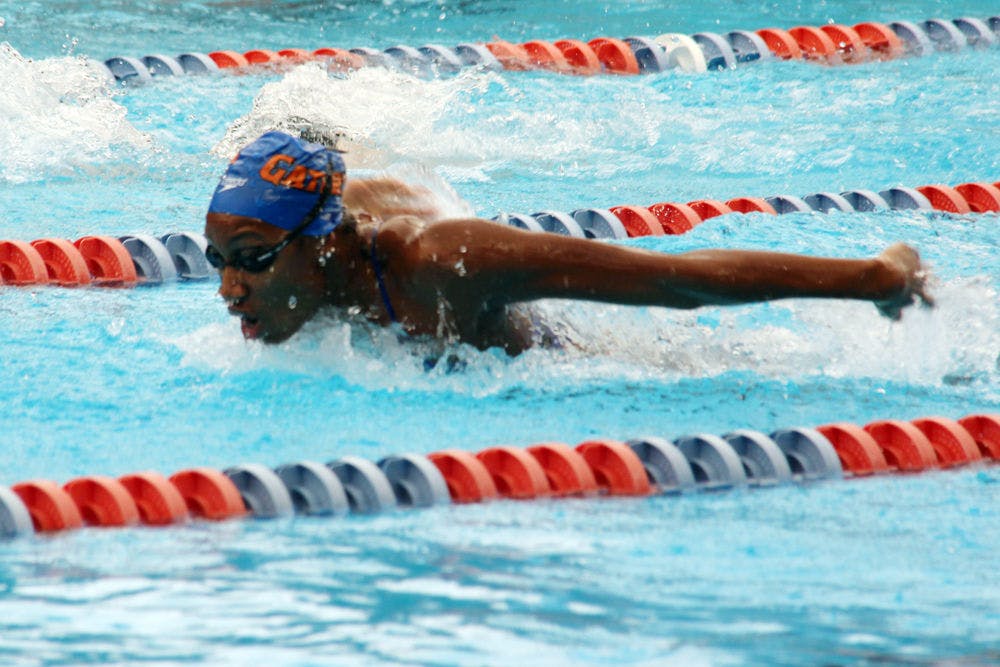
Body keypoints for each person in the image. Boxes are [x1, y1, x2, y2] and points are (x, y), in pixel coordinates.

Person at [204, 131, 932, 355]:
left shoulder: (443, 264)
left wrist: (874, 276)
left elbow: (672, 279)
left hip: (559, 353)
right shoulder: (303, 250)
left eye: (251, 260)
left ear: (323, 243)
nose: (228, 289)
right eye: (218, 261)